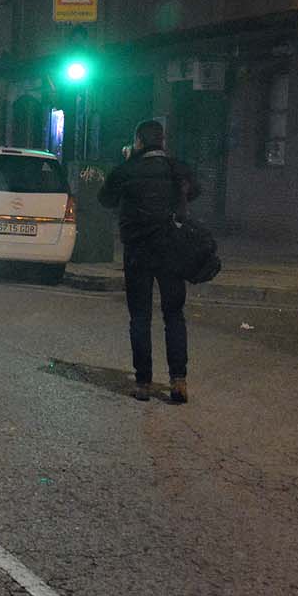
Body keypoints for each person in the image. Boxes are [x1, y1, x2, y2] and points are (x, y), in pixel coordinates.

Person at [99, 119, 202, 404]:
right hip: (172, 251)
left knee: (140, 317)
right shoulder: (177, 168)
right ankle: (178, 381)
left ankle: (143, 383)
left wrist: (128, 162)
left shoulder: (127, 169)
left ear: (138, 142)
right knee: (174, 315)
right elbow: (195, 191)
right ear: (163, 142)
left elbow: (105, 198)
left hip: (138, 252)